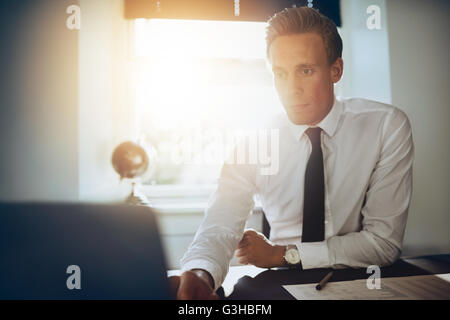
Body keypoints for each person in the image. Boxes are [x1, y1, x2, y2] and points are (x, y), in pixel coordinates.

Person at [168, 7, 414, 300]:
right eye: (280, 74)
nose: (291, 89)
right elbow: (221, 221)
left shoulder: (386, 126)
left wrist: (284, 254)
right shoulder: (255, 140)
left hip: (360, 279)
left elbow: (383, 244)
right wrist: (200, 272)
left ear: (336, 70)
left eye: (305, 70)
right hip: (280, 286)